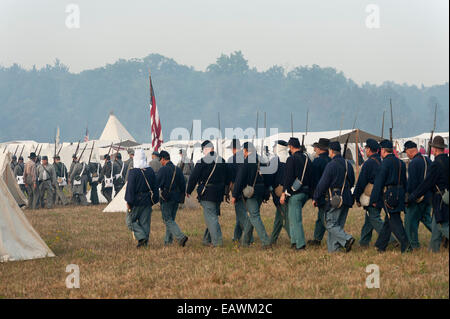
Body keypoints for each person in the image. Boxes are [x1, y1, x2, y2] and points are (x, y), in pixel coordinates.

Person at [313, 141, 355, 253]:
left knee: (330, 224)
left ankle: (347, 238)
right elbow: (352, 181)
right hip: (346, 197)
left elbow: (323, 183)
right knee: (338, 225)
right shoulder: (348, 164)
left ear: (331, 151)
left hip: (335, 197)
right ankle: (334, 249)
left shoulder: (331, 165)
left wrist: (316, 197)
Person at [408, 136, 449, 252]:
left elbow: (426, 184)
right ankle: (433, 250)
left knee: (442, 226)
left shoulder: (436, 164)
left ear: (435, 149)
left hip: (440, 198)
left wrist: (412, 196)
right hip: (446, 196)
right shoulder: (447, 160)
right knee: (436, 225)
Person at [370, 139, 411, 253]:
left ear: (383, 150)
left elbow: (379, 183)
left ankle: (406, 245)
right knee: (389, 220)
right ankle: (380, 245)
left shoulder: (385, 164)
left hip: (390, 194)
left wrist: (374, 199)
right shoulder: (401, 163)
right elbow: (405, 181)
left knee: (394, 220)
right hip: (400, 193)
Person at [186, 140, 229, 247]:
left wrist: (188, 191)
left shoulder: (202, 161)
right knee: (212, 216)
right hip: (219, 193)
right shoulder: (222, 161)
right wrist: (226, 193)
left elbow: (193, 178)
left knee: (211, 218)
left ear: (205, 149)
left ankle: (217, 242)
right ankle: (206, 240)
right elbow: (227, 179)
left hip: (207, 193)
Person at [232, 142, 271, 249]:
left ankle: (266, 242)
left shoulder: (246, 162)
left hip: (251, 193)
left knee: (254, 216)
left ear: (245, 150)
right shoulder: (261, 160)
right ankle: (245, 242)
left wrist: (234, 195)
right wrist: (266, 192)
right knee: (251, 217)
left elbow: (239, 180)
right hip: (261, 191)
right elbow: (268, 178)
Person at [280, 137, 313, 250]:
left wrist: (284, 192)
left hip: (295, 193)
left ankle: (300, 244)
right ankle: (294, 242)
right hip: (306, 192)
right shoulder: (307, 159)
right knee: (292, 218)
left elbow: (288, 178)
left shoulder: (291, 159)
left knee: (295, 220)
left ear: (291, 147)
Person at [353, 139, 387, 247]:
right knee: (369, 220)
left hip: (371, 195)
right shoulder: (380, 161)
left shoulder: (369, 163)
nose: (365, 150)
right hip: (380, 194)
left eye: (366, 148)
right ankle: (363, 242)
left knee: (374, 218)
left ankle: (390, 239)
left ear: (369, 149)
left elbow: (361, 182)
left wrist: (356, 197)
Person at [125, 149, 159, 248]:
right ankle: (144, 242)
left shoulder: (133, 172)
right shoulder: (150, 171)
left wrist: (129, 201)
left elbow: (130, 188)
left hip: (136, 201)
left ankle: (142, 238)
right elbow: (155, 186)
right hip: (148, 200)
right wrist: (154, 199)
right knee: (145, 223)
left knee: (129, 221)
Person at [403, 141, 433, 249]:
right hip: (429, 196)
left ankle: (413, 245)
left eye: (406, 151)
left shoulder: (414, 163)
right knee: (427, 220)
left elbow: (412, 183)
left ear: (410, 151)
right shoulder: (428, 160)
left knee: (410, 222)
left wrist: (409, 198)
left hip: (417, 198)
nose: (406, 154)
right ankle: (442, 236)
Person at [157, 150, 189, 246]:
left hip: (167, 197)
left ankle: (181, 237)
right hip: (176, 197)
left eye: (160, 160)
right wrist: (181, 197)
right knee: (171, 220)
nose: (160, 162)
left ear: (163, 159)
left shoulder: (163, 170)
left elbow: (157, 183)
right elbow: (183, 184)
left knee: (167, 219)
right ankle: (168, 241)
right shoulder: (177, 169)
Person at [226, 138, 252, 243]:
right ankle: (236, 236)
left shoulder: (231, 159)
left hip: (236, 188)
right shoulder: (246, 158)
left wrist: (228, 192)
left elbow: (230, 178)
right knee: (240, 213)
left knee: (241, 213)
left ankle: (249, 237)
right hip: (247, 188)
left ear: (233, 149)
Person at [308, 138, 331, 246]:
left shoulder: (317, 161)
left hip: (321, 192)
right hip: (331, 193)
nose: (314, 149)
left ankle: (340, 238)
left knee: (323, 217)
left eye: (316, 147)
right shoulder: (331, 160)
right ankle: (317, 239)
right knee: (320, 217)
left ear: (320, 149)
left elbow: (314, 180)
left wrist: (314, 196)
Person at [269, 140, 290, 245]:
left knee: (285, 217)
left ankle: (296, 240)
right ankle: (272, 240)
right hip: (289, 190)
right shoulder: (290, 157)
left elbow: (271, 177)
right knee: (279, 217)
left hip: (279, 190)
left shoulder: (276, 160)